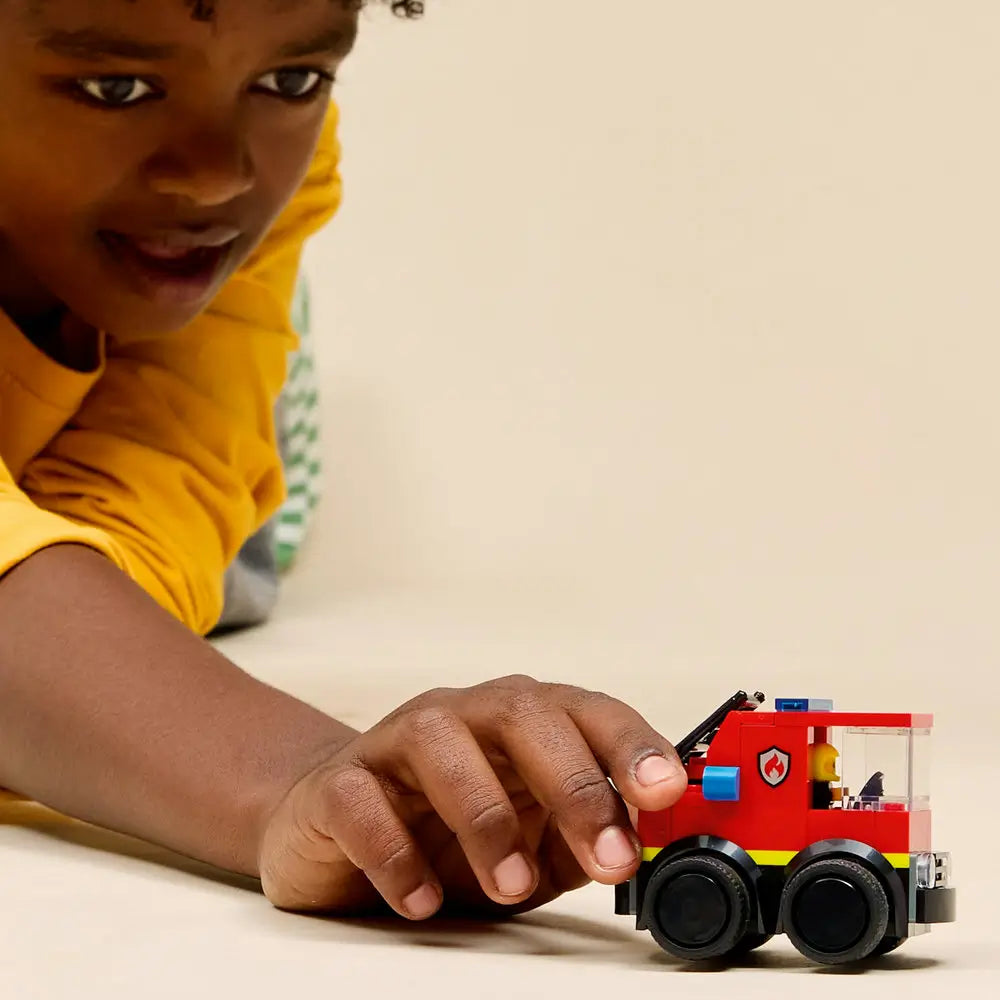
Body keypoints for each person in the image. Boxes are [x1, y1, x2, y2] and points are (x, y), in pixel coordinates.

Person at [0, 0, 687, 921]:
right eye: (113, 87)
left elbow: (139, 528)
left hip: (130, 407)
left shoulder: (210, 214)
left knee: (225, 553)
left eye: (291, 81)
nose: (217, 176)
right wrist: (291, 776)